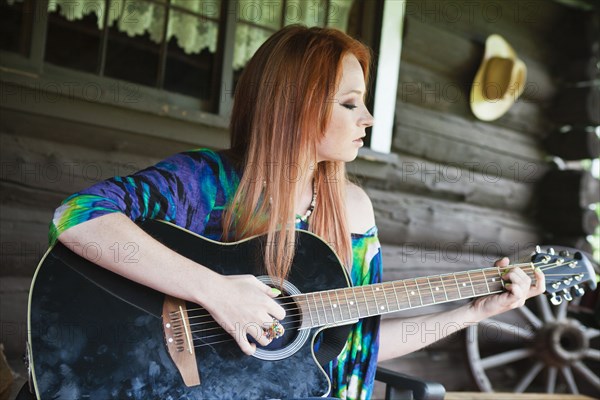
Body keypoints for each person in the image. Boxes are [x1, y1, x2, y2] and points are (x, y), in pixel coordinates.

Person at [50, 25, 545, 400]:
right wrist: (217, 292)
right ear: (297, 105)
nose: (367, 119)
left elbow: (359, 346)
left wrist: (471, 312)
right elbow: (77, 217)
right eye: (351, 104)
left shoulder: (352, 209)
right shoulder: (204, 182)